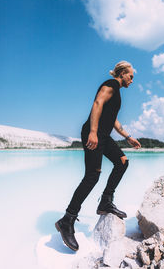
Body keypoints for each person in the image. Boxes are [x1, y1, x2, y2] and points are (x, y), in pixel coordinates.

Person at [55, 61, 141, 251]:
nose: (132, 80)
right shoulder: (110, 85)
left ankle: (105, 201)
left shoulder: (117, 92)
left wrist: (128, 137)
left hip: (103, 136)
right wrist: (93, 132)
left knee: (122, 162)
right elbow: (97, 103)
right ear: (122, 73)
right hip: (94, 134)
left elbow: (114, 120)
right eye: (131, 76)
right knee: (92, 176)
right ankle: (67, 220)